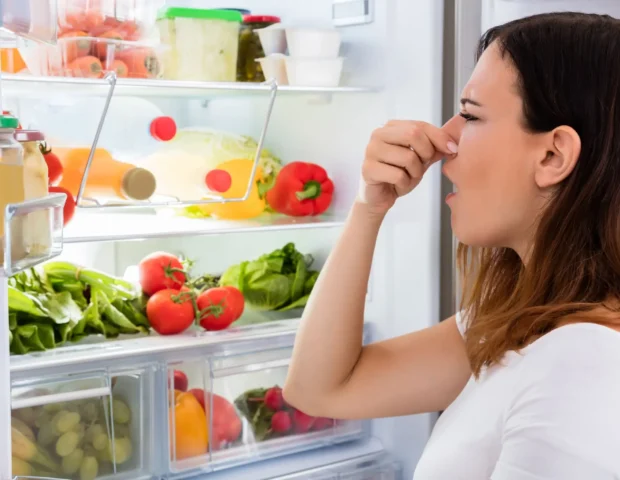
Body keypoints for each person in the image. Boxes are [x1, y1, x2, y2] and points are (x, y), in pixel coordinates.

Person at [283, 11, 620, 480]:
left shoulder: (583, 362)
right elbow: (322, 388)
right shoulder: (518, 322)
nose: (444, 141)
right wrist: (369, 208)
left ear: (553, 155)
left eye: (470, 114)